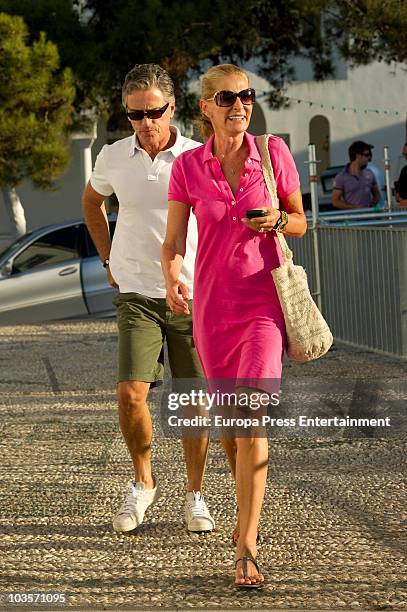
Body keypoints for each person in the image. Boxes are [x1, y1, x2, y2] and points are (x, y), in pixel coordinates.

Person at [161, 64, 306, 587]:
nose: (240, 105)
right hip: (212, 311)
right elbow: (175, 239)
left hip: (263, 304)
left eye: (247, 96)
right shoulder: (189, 168)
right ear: (206, 107)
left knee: (251, 419)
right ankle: (247, 507)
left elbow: (301, 221)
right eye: (227, 98)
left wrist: (277, 222)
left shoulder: (273, 153)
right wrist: (173, 277)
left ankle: (246, 546)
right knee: (231, 427)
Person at [82, 64, 214, 534]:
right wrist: (107, 259)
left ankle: (195, 494)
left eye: (155, 111)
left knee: (192, 398)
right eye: (136, 114)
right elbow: (91, 204)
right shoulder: (114, 157)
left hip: (194, 293)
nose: (146, 122)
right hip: (136, 291)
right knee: (130, 394)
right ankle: (143, 483)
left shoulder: (199, 157)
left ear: (172, 107)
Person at [332, 140, 380, 209]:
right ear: (357, 156)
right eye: (366, 155)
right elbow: (335, 202)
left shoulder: (370, 173)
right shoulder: (341, 177)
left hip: (368, 218)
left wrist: (371, 207)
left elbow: (377, 194)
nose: (369, 158)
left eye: (370, 155)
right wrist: (355, 208)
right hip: (352, 218)